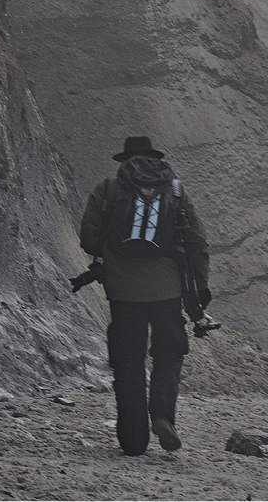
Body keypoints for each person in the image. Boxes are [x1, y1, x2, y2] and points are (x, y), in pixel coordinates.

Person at [79, 136, 210, 456]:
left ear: (124, 160)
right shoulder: (176, 191)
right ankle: (163, 416)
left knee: (128, 362)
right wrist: (199, 290)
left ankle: (133, 440)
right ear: (153, 158)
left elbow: (89, 240)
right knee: (169, 355)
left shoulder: (107, 190)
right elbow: (198, 242)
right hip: (168, 293)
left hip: (124, 295)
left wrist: (115, 252)